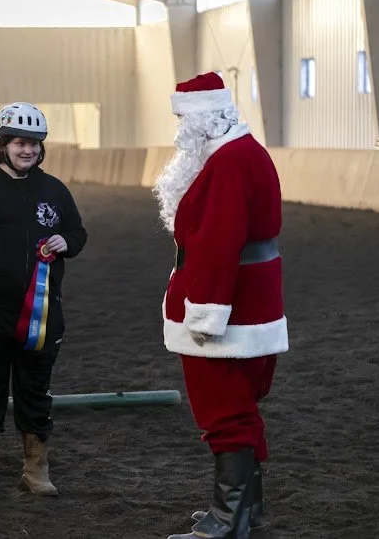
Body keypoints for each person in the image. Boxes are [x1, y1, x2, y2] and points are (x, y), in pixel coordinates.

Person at [153, 72, 288, 539]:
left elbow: (217, 242)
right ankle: (244, 509)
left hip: (228, 309)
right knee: (241, 407)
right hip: (253, 302)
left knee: (224, 410)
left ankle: (227, 520)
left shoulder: (229, 161)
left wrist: (205, 312)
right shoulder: (244, 152)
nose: (178, 130)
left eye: (182, 119)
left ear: (202, 118)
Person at [0, 102, 87, 497]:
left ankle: (35, 469)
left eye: (33, 144)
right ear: (3, 144)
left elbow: (78, 233)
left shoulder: (54, 190)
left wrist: (68, 242)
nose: (26, 150)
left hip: (41, 314)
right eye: (18, 143)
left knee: (34, 390)